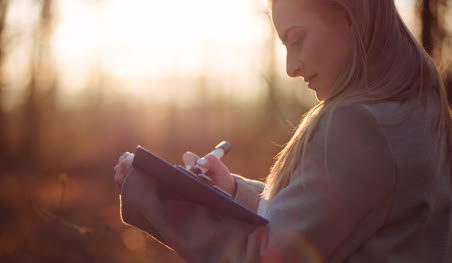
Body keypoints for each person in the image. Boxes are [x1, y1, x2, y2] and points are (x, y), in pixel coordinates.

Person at [114, 0, 452, 262]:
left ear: (347, 15)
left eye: (297, 39)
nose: (291, 68)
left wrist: (153, 195)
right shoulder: (420, 107)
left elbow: (263, 257)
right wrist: (232, 191)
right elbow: (330, 217)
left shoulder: (358, 124)